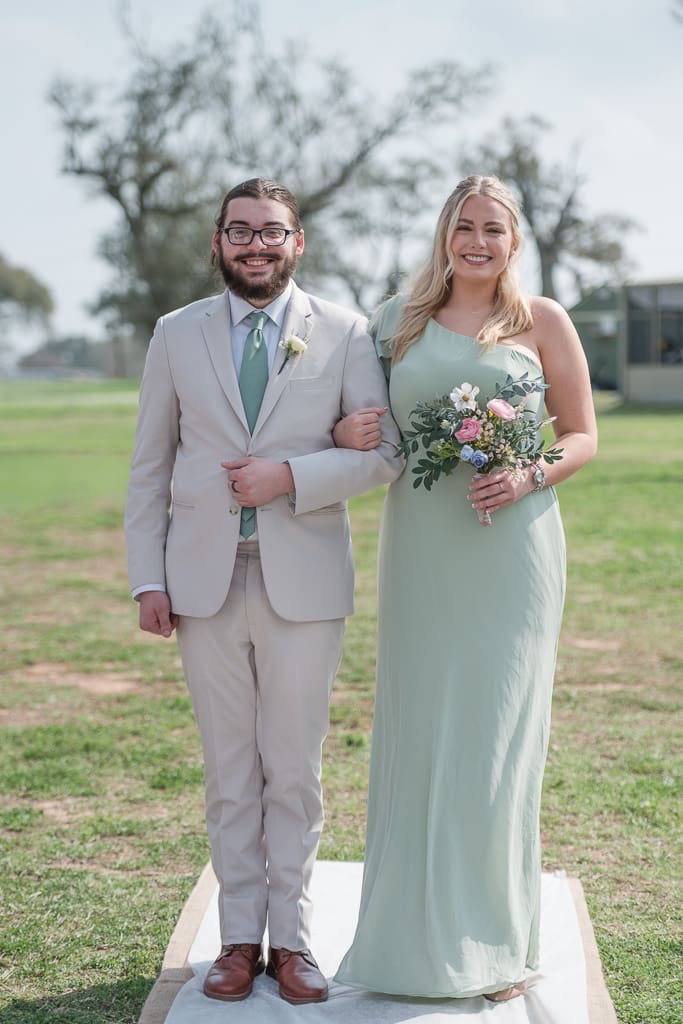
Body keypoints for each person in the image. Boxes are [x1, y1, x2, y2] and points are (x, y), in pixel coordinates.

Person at [124, 178, 402, 1005]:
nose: (256, 245)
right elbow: (148, 466)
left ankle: (295, 944)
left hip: (304, 586)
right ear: (217, 242)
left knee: (294, 768)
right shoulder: (176, 335)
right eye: (240, 232)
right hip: (199, 583)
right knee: (228, 768)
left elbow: (381, 456)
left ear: (297, 243)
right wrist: (147, 576)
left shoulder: (347, 333)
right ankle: (237, 940)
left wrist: (291, 474)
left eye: (271, 233)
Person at [333, 175, 597, 1002]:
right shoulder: (391, 323)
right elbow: (354, 424)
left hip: (512, 554)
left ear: (513, 241)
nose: (476, 241)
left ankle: (489, 939)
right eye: (463, 226)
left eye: (492, 229)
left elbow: (583, 435)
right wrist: (347, 429)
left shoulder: (541, 321)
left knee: (496, 740)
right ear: (444, 234)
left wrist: (528, 474)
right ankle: (407, 938)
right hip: (421, 550)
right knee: (420, 728)